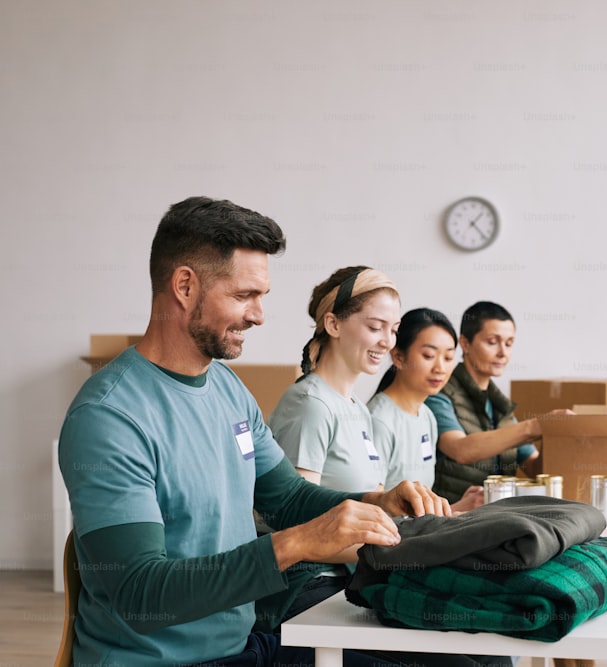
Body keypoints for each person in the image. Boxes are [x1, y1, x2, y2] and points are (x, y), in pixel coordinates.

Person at [58, 196, 507, 667]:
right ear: (185, 286)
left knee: (474, 661)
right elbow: (141, 594)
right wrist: (298, 543)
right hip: (163, 661)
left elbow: (288, 498)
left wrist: (375, 503)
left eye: (261, 297)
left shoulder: (228, 389)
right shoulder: (110, 417)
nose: (258, 315)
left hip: (246, 648)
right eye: (243, 296)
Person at [269, 265, 400, 493]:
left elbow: (374, 496)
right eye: (376, 327)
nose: (388, 342)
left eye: (394, 330)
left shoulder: (358, 409)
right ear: (333, 324)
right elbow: (298, 511)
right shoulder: (311, 404)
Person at [425, 301, 569, 502]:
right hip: (453, 518)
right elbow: (461, 449)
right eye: (492, 342)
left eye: (509, 343)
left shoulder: (500, 405)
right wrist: (535, 426)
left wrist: (553, 436)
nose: (503, 353)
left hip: (496, 517)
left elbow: (535, 469)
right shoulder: (439, 393)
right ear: (465, 344)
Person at [368, 308, 484, 512]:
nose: (440, 367)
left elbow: (416, 512)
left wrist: (455, 507)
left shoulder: (427, 416)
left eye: (448, 358)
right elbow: (371, 510)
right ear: (398, 357)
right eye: (429, 355)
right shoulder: (379, 420)